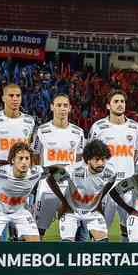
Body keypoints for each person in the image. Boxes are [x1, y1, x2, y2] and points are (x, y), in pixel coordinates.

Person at [0, 84, 36, 240]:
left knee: (21, 228)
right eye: (11, 96)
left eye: (18, 95)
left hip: (22, 181)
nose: (15, 99)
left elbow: (29, 152)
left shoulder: (29, 121)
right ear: (3, 98)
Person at [88, 89, 138, 242]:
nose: (120, 104)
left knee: (129, 228)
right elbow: (90, 155)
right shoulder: (98, 127)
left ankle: (126, 262)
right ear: (108, 106)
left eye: (122, 101)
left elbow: (136, 152)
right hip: (105, 185)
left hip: (128, 185)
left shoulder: (136, 127)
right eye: (116, 101)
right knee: (100, 229)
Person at [31, 93, 85, 237]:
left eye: (65, 105)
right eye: (59, 105)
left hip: (70, 188)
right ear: (52, 107)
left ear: (70, 108)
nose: (62, 108)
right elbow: (35, 157)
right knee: (38, 230)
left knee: (72, 232)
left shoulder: (78, 132)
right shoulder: (41, 131)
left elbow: (79, 161)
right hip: (47, 186)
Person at [46, 140, 116, 242]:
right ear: (88, 160)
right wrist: (64, 202)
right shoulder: (73, 170)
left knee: (103, 243)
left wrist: (98, 201)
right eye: (97, 160)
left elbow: (111, 181)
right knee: (67, 244)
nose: (101, 163)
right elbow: (50, 179)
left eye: (103, 159)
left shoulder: (111, 172)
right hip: (71, 212)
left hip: (91, 212)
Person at [0, 142, 51, 242]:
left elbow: (54, 171)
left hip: (20, 212)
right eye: (20, 158)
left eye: (27, 158)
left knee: (36, 245)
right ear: (13, 160)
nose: (24, 162)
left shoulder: (36, 172)